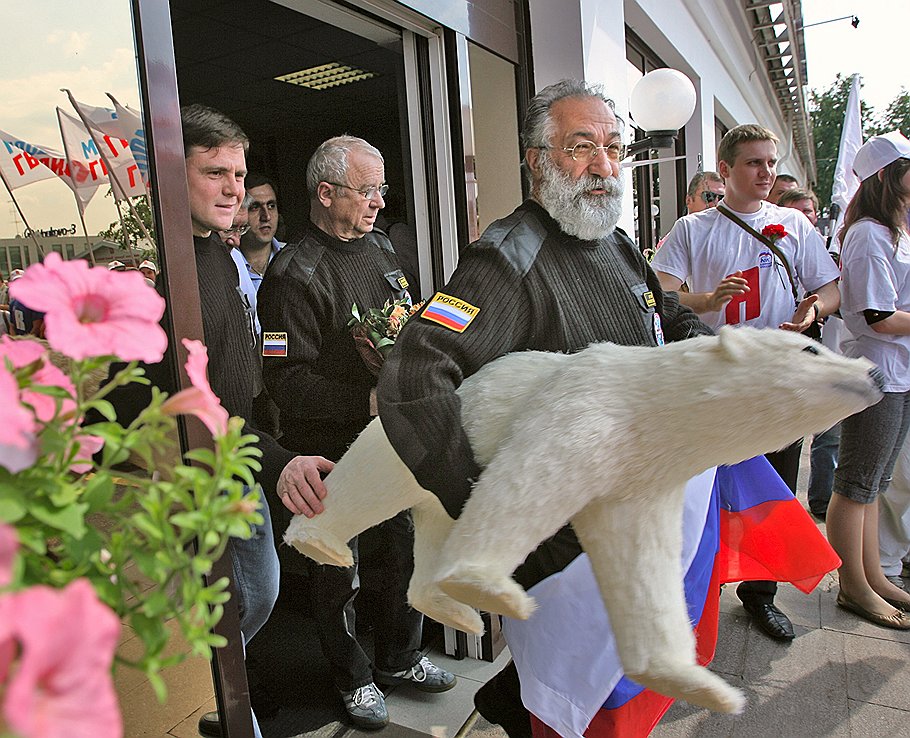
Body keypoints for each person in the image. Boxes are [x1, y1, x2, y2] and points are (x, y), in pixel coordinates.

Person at [376, 79, 712, 737]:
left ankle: (508, 698)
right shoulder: (508, 257)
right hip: (563, 545)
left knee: (609, 687)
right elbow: (414, 379)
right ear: (538, 161)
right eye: (580, 147)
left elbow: (663, 316)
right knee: (571, 708)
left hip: (633, 522)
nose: (603, 166)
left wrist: (716, 364)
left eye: (614, 148)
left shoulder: (613, 241)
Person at [258, 135, 455, 730]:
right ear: (326, 193)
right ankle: (353, 676)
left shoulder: (380, 249)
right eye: (366, 190)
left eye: (380, 189)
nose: (377, 201)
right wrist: (362, 398)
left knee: (402, 551)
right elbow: (283, 381)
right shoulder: (293, 277)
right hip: (328, 449)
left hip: (390, 439)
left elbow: (408, 319)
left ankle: (399, 657)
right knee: (335, 566)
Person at [651, 123, 841, 642]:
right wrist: (708, 301)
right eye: (754, 163)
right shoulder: (693, 229)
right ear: (727, 168)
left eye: (771, 163)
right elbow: (661, 296)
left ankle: (760, 593)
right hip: (716, 382)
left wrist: (812, 310)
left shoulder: (793, 226)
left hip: (779, 380)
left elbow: (830, 286)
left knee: (772, 488)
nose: (766, 173)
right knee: (707, 489)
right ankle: (700, 591)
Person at [827, 131, 910, 629]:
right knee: (856, 481)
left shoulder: (895, 230)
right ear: (886, 174)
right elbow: (877, 314)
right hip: (875, 370)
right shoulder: (868, 235)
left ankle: (875, 576)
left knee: (875, 481)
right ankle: (853, 587)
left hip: (899, 370)